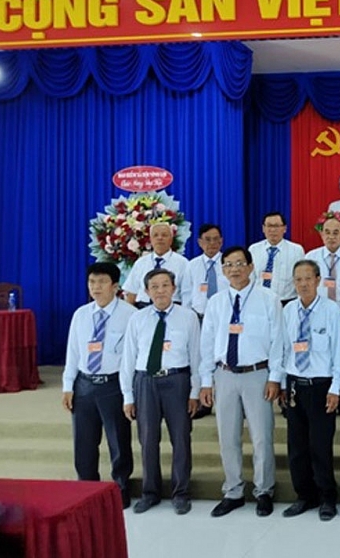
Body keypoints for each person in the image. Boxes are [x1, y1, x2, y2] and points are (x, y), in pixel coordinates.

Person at [198, 246, 285, 518]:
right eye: (228, 264)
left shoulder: (268, 299)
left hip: (257, 374)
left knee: (261, 437)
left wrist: (275, 377)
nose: (234, 269)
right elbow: (207, 343)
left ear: (250, 267)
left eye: (239, 263)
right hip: (224, 375)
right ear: (223, 270)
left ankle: (264, 491)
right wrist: (206, 380)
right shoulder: (216, 302)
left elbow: (278, 341)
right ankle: (233, 491)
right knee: (228, 437)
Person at [120, 268, 200, 515]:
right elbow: (128, 359)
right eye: (154, 287)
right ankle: (150, 492)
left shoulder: (188, 317)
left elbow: (196, 356)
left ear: (174, 289)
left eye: (165, 285)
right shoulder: (137, 319)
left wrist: (195, 392)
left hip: (177, 381)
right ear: (146, 291)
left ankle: (181, 493)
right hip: (146, 382)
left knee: (181, 439)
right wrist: (128, 395)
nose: (160, 291)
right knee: (147, 440)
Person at [61, 262, 137, 508]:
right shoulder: (81, 315)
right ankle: (87, 488)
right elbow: (73, 352)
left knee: (118, 441)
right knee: (84, 442)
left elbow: (131, 358)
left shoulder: (130, 315)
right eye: (92, 282)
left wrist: (129, 393)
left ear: (115, 286)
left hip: (113, 385)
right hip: (84, 385)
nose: (96, 287)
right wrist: (68, 386)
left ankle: (121, 487)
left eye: (102, 282)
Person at [280, 259, 340, 522]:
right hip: (295, 385)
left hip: (321, 387)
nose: (303, 284)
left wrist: (336, 388)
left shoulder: (331, 310)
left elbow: (339, 351)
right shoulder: (288, 310)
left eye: (308, 278)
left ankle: (327, 497)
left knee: (320, 446)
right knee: (297, 447)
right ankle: (304, 495)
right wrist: (282, 382)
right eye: (298, 279)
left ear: (318, 280)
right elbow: (283, 348)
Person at [305, 217, 340, 419]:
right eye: (327, 232)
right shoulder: (311, 256)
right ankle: (323, 397)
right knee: (319, 352)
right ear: (321, 234)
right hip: (318, 310)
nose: (331, 236)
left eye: (336, 232)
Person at [182, 223, 228, 419]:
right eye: (207, 240)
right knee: (201, 359)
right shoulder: (192, 265)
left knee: (224, 358)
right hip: (199, 319)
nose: (212, 244)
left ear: (222, 241)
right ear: (200, 242)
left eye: (216, 239)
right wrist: (188, 319)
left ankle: (228, 401)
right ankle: (204, 401)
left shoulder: (228, 263)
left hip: (223, 320)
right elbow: (186, 295)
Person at [122, 221, 190, 307]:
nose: (160, 238)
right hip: (142, 308)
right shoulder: (141, 263)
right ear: (150, 239)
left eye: (164, 235)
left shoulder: (183, 263)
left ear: (171, 239)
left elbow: (187, 294)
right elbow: (131, 292)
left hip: (172, 308)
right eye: (155, 235)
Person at [249, 211, 305, 305]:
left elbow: (301, 278)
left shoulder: (296, 250)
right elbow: (250, 278)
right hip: (260, 301)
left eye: (276, 226)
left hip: (286, 301)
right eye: (269, 226)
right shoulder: (254, 249)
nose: (272, 230)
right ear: (263, 228)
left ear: (284, 228)